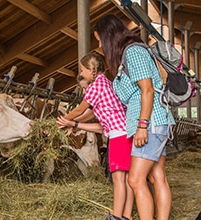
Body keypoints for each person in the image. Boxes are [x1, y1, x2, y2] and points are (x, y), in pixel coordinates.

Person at [94, 14, 175, 220]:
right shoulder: (127, 56)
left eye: (99, 39)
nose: (100, 45)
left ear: (107, 36)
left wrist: (141, 126)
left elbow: (147, 90)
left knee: (136, 180)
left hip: (150, 124)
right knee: (157, 177)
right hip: (154, 122)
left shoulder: (134, 52)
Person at [57, 51, 134, 220]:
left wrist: (61, 121)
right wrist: (72, 124)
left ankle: (116, 216)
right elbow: (90, 114)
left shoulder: (96, 85)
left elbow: (80, 109)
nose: (81, 73)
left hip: (119, 135)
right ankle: (126, 216)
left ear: (91, 69)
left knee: (118, 179)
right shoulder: (104, 82)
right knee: (126, 179)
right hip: (124, 133)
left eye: (82, 70)